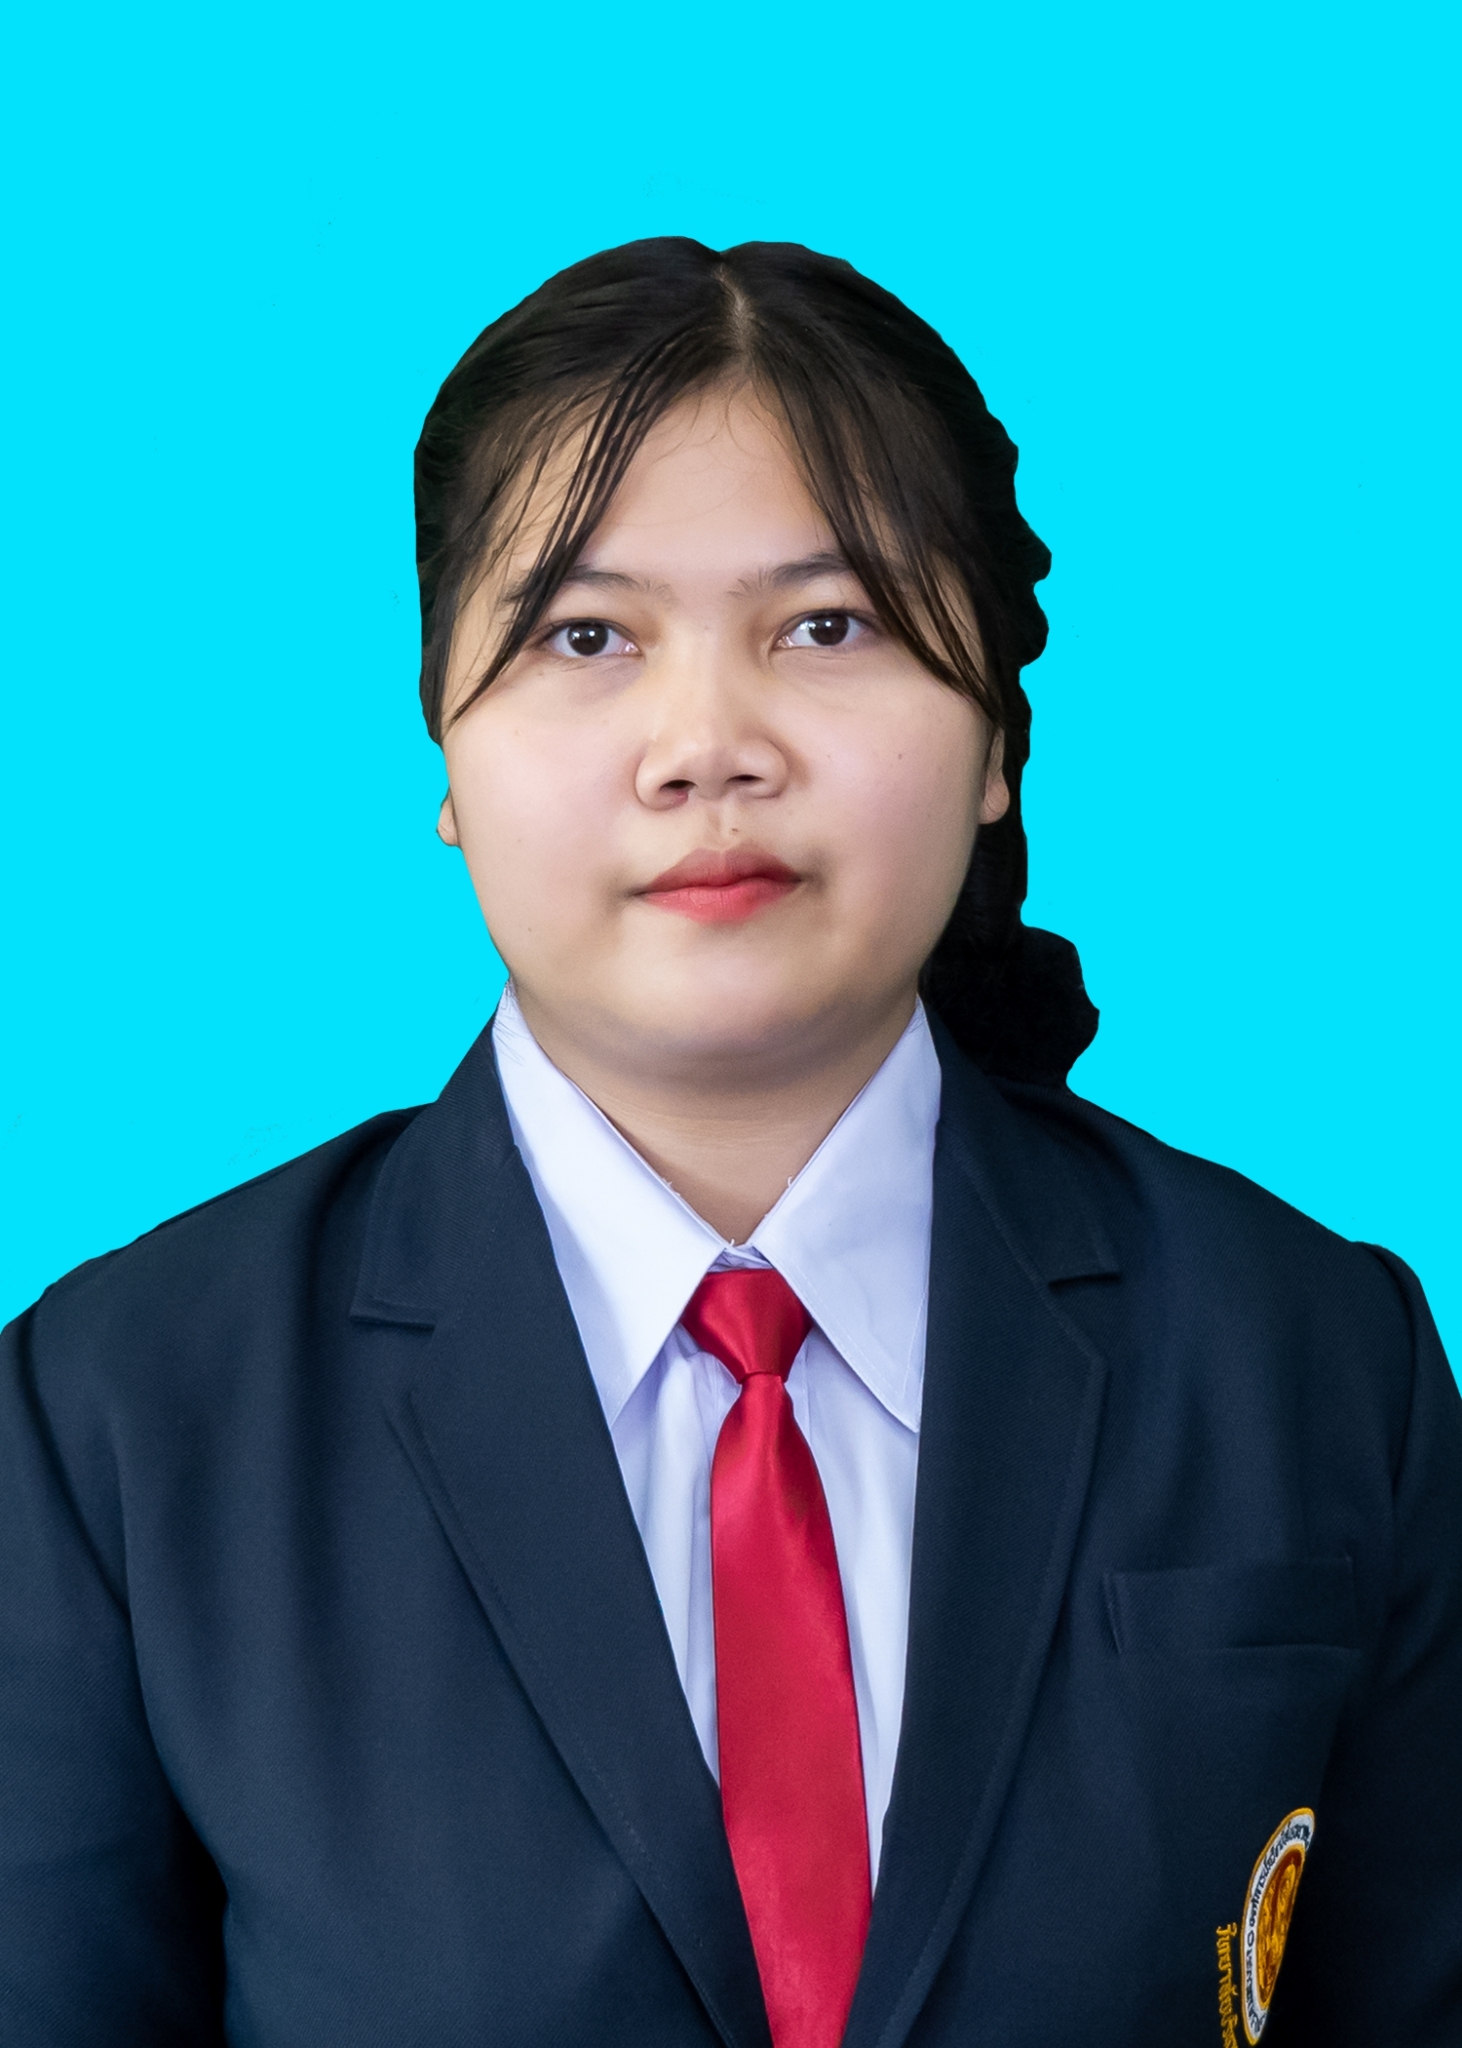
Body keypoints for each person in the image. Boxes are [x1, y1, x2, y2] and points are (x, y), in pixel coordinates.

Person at [1, 238, 1458, 2048]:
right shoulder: (120, 1415)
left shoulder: (1316, 1361)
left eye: (826, 626)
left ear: (994, 740)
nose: (705, 746)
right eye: (584, 637)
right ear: (445, 744)